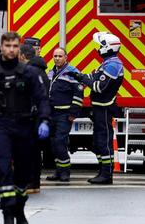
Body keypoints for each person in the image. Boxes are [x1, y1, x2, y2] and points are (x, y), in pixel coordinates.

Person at [0, 31, 50, 224]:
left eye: (15, 46)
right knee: (3, 170)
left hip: (25, 126)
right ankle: (8, 214)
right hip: (1, 125)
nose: (11, 49)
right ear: (1, 47)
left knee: (23, 172)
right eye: (8, 46)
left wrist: (44, 120)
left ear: (19, 48)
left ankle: (19, 208)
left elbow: (42, 98)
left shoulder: (29, 72)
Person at [67, 32, 124, 185]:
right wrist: (80, 76)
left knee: (104, 141)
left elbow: (99, 86)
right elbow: (95, 77)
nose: (99, 49)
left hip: (104, 108)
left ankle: (106, 174)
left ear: (108, 47)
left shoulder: (112, 65)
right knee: (97, 142)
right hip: (99, 107)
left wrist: (84, 79)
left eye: (101, 46)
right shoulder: (108, 63)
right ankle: (102, 171)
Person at [45, 47, 83, 182]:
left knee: (60, 141)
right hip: (52, 113)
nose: (57, 59)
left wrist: (73, 113)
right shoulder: (51, 72)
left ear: (66, 57)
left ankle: (65, 172)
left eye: (60, 56)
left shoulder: (73, 72)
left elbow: (79, 95)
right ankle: (58, 170)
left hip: (64, 114)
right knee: (53, 143)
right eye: (55, 56)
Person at [20, 39, 49, 193]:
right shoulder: (41, 71)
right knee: (35, 151)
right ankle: (34, 183)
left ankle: (30, 183)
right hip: (38, 116)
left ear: (23, 56)